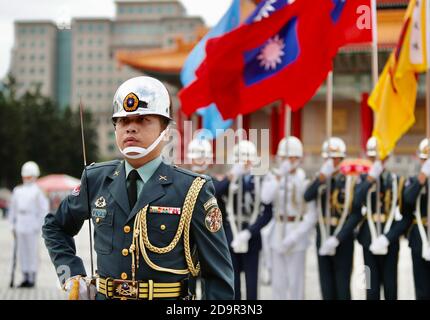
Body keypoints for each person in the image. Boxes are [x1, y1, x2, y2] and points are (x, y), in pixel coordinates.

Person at [42, 76, 234, 300]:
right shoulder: (96, 179)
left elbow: (218, 278)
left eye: (142, 120)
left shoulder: (192, 190)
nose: (130, 128)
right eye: (123, 121)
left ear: (165, 130)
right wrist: (70, 275)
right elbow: (55, 227)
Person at [333, 137, 407, 299]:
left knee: (390, 288)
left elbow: (404, 214)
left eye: (379, 158)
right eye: (372, 158)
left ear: (387, 158)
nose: (376, 161)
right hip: (368, 240)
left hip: (389, 240)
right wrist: (370, 179)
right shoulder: (361, 180)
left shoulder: (395, 180)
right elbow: (356, 201)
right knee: (370, 289)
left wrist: (389, 238)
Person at [263, 136, 316, 300]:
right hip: (278, 231)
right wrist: (280, 176)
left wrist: (295, 236)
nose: (289, 161)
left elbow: (312, 215)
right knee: (278, 285)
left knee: (296, 285)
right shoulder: (273, 177)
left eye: (293, 158)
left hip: (297, 234)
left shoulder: (305, 180)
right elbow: (265, 198)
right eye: (285, 157)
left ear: (299, 159)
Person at [304, 137, 355, 300]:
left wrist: (338, 238)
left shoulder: (349, 180)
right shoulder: (320, 179)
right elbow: (307, 196)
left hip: (342, 240)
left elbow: (354, 215)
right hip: (323, 236)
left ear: (341, 159)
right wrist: (321, 178)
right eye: (327, 158)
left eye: (334, 158)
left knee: (342, 288)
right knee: (326, 288)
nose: (330, 162)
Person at [224, 140, 273, 300]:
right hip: (231, 237)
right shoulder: (231, 178)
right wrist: (230, 177)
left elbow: (267, 213)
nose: (245, 163)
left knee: (252, 287)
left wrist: (249, 232)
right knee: (233, 286)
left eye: (248, 159)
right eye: (241, 159)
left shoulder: (260, 180)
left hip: (251, 237)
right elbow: (215, 192)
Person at [9, 161, 49, 288]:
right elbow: (12, 210)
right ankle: (25, 276)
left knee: (32, 251)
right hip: (20, 222)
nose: (26, 178)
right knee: (22, 252)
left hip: (32, 223)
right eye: (25, 176)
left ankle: (32, 277)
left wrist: (39, 225)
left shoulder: (38, 191)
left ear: (34, 176)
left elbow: (44, 210)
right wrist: (12, 225)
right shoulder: (17, 190)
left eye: (29, 176)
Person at [401, 138, 430, 299]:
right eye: (425, 159)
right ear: (420, 159)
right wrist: (422, 178)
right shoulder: (414, 181)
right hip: (420, 238)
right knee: (421, 289)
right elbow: (408, 200)